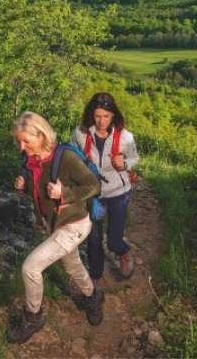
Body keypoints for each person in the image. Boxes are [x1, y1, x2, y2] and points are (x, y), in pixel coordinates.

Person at [7, 111, 105, 344]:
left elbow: (94, 185)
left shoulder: (66, 158)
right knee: (72, 266)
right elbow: (40, 192)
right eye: (19, 142)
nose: (22, 147)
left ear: (41, 136)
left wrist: (65, 193)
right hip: (55, 225)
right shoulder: (30, 161)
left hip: (74, 224)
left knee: (30, 267)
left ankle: (33, 316)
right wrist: (23, 186)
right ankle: (93, 296)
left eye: (26, 141)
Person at [72, 92, 139, 283]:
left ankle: (122, 252)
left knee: (113, 240)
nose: (102, 121)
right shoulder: (80, 134)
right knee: (93, 239)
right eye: (97, 116)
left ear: (113, 115)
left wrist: (124, 164)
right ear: (91, 115)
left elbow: (134, 158)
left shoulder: (125, 137)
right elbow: (72, 157)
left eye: (106, 116)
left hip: (118, 192)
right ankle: (95, 279)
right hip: (92, 192)